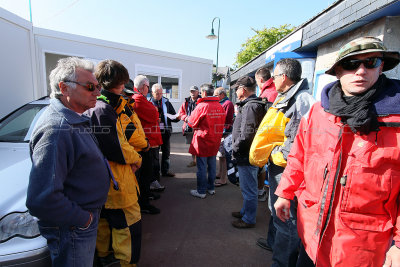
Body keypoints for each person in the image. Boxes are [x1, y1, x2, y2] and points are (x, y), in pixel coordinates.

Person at [274, 37, 400, 267]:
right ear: (339, 70)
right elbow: (299, 157)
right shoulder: (318, 112)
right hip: (311, 236)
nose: (361, 71)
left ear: (381, 66)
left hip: (363, 251)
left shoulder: (396, 121)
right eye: (352, 64)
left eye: (370, 62)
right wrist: (285, 193)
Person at [26, 57, 110, 267]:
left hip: (80, 222)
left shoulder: (75, 117)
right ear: (64, 88)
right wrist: (83, 219)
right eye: (90, 87)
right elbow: (42, 199)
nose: (98, 92)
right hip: (73, 228)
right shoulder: (56, 129)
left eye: (98, 86)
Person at [249, 58, 315, 266]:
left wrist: (273, 153)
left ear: (284, 77)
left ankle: (281, 262)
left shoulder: (300, 100)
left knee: (287, 220)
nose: (273, 80)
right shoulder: (288, 96)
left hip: (287, 170)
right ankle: (275, 246)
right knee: (278, 214)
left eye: (275, 76)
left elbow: (296, 144)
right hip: (279, 167)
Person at [85, 60, 145, 267]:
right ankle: (124, 263)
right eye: (122, 86)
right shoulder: (104, 109)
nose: (124, 92)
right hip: (117, 181)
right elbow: (116, 146)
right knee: (128, 227)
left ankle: (105, 257)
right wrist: (137, 158)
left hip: (104, 181)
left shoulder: (98, 106)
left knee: (104, 223)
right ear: (117, 83)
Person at [230, 76, 266, 228]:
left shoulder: (250, 106)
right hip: (248, 153)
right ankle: (245, 212)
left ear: (243, 90)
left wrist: (236, 149)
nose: (236, 92)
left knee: (249, 189)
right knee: (247, 188)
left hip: (246, 155)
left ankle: (248, 219)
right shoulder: (251, 104)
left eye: (237, 89)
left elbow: (246, 134)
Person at [186, 83, 226, 198]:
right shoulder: (219, 106)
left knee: (202, 167)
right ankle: (211, 188)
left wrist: (185, 117)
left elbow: (192, 123)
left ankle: (201, 191)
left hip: (203, 141)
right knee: (212, 165)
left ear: (203, 93)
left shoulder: (202, 106)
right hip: (215, 140)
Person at [132, 75, 162, 214]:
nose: (149, 90)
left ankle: (146, 196)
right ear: (143, 87)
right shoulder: (138, 99)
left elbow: (154, 113)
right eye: (148, 87)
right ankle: (144, 203)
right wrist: (155, 112)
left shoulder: (140, 99)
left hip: (145, 140)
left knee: (147, 173)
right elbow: (154, 115)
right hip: (144, 142)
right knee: (145, 173)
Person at [254, 67, 278, 202]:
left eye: (257, 81)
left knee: (262, 164)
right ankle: (262, 189)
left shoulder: (268, 94)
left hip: (269, 135)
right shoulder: (275, 90)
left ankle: (260, 191)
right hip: (275, 134)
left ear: (261, 79)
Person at [150, 83, 181, 177]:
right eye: (157, 93)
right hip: (154, 133)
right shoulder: (148, 103)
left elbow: (173, 115)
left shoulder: (166, 102)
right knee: (155, 155)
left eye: (160, 93)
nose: (159, 95)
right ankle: (155, 174)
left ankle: (165, 171)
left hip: (165, 132)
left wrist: (177, 118)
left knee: (166, 153)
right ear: (152, 93)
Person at [213, 87, 234, 187]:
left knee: (224, 156)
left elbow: (226, 118)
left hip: (225, 132)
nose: (215, 97)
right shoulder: (221, 102)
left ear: (222, 95)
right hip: (220, 132)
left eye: (216, 95)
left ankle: (223, 179)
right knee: (220, 156)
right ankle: (220, 173)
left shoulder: (228, 103)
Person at [179, 85, 201, 167]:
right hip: (189, 126)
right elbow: (181, 113)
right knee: (192, 145)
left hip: (199, 127)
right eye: (191, 91)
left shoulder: (201, 101)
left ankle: (200, 162)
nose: (192, 93)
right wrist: (186, 118)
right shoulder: (186, 102)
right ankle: (194, 161)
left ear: (198, 92)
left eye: (194, 91)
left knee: (199, 145)